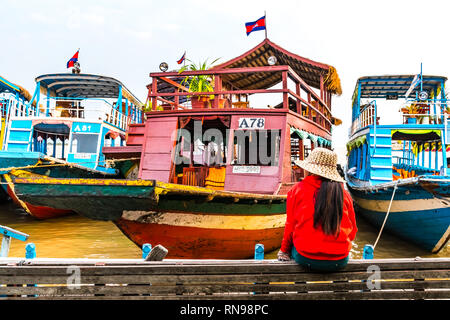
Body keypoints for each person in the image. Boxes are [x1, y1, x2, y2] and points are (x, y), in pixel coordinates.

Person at [277, 147, 357, 272]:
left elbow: (290, 225)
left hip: (306, 258)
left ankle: (301, 290)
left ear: (310, 169)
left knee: (294, 246)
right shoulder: (343, 193)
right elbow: (352, 230)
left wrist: (283, 250)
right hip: (339, 260)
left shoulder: (297, 190)